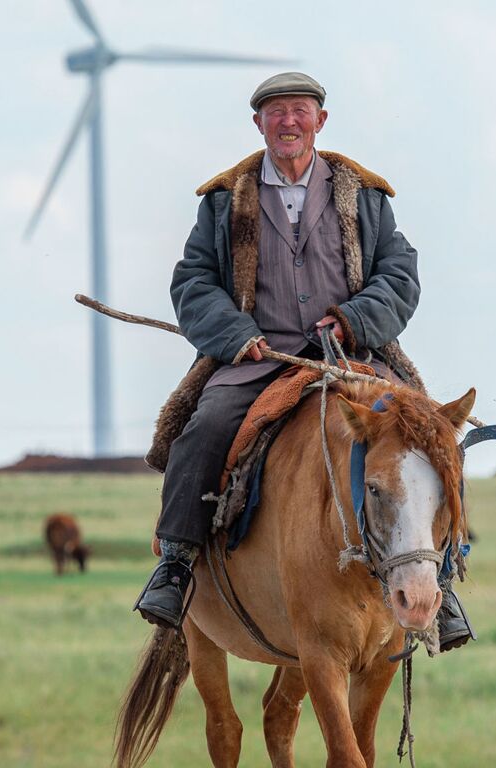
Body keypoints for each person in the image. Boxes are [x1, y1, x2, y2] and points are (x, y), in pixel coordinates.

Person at [134, 72, 470, 651]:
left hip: (349, 359)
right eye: (276, 112)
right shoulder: (224, 200)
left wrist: (355, 319)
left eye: (300, 110)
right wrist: (235, 333)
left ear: (321, 121)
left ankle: (441, 574)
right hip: (258, 358)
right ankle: (177, 566)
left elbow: (400, 273)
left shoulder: (363, 195)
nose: (288, 121)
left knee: (430, 435)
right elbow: (192, 282)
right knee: (205, 426)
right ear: (258, 123)